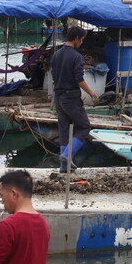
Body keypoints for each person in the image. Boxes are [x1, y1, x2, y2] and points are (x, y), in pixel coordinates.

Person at [50, 26, 98, 172]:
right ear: (77, 39)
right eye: (82, 39)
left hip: (58, 97)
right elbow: (79, 79)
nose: (82, 42)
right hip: (70, 97)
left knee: (64, 129)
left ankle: (64, 167)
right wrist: (92, 93)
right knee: (84, 127)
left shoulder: (56, 55)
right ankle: (67, 155)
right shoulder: (77, 57)